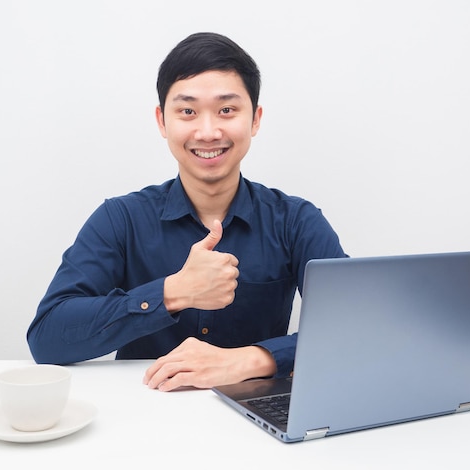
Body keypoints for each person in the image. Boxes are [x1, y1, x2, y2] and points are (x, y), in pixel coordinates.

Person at [27, 32, 347, 391]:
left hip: (258, 420)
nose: (208, 132)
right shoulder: (120, 219)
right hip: (145, 413)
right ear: (163, 121)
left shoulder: (296, 221)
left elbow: (354, 326)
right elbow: (47, 337)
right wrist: (172, 293)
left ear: (255, 119)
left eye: (227, 110)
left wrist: (251, 360)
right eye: (188, 112)